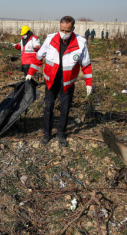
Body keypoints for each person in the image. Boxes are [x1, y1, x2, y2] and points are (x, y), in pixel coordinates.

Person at [25, 16, 93, 146]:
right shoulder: (50, 39)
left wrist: (88, 83)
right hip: (51, 79)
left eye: (67, 31)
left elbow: (86, 65)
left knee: (65, 108)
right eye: (62, 30)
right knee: (48, 107)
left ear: (73, 28)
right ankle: (47, 134)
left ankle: (61, 134)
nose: (64, 33)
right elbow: (39, 57)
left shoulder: (80, 43)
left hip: (67, 82)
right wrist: (30, 73)